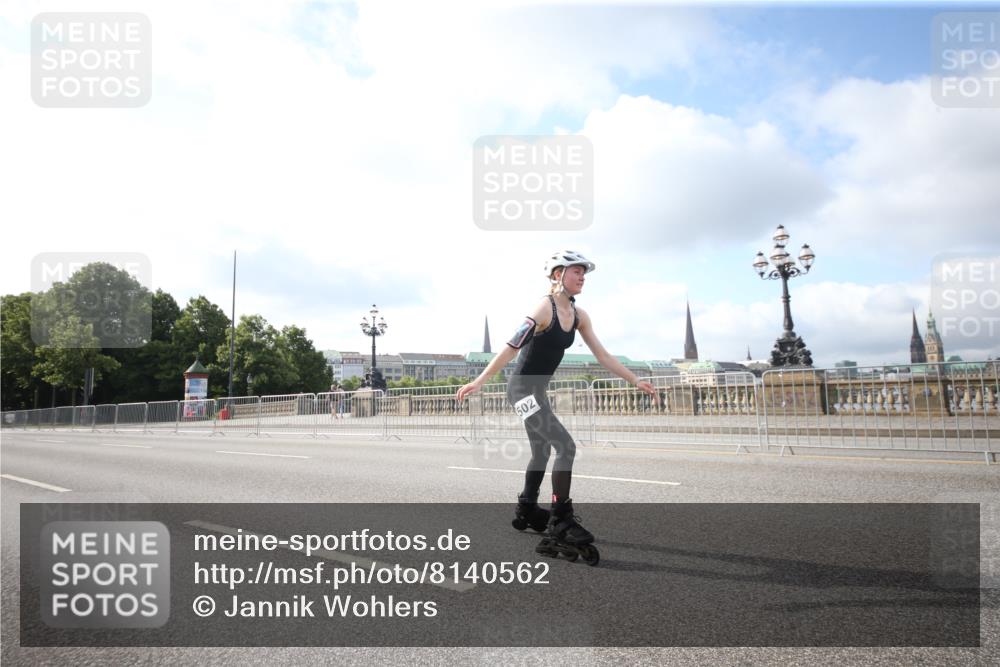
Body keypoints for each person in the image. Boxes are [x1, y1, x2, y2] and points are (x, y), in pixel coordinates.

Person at [456, 250, 658, 562]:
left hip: (537, 392)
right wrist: (479, 381)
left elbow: (602, 356)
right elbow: (511, 348)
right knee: (566, 446)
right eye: (576, 272)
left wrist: (635, 380)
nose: (582, 278)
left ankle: (526, 505)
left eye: (583, 273)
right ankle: (560, 521)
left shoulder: (579, 316)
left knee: (543, 451)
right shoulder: (542, 309)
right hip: (521, 391)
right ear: (556, 275)